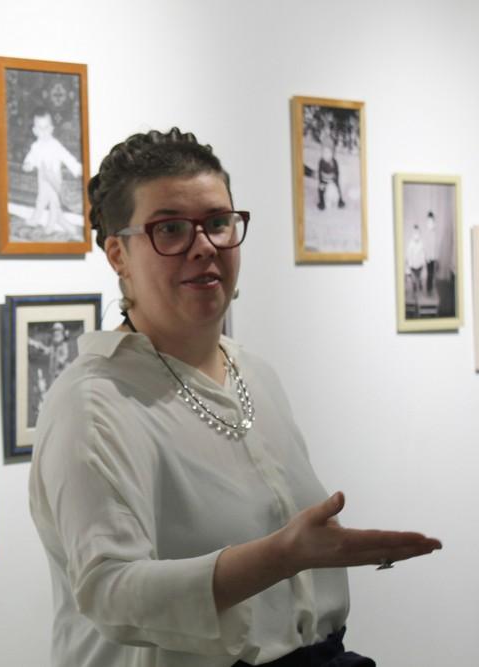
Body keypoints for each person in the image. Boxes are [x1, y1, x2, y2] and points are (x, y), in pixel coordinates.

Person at [29, 128, 442, 667]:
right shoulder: (93, 405)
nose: (204, 245)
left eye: (219, 223)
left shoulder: (254, 373)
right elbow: (110, 592)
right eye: (170, 229)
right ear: (118, 255)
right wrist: (283, 556)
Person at [21, 108, 83, 237]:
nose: (44, 131)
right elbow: (31, 158)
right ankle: (35, 219)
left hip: (55, 178)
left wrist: (76, 168)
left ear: (52, 128)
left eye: (47, 127)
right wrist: (28, 164)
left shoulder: (55, 145)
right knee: (41, 199)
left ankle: (51, 224)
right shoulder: (36, 146)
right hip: (42, 178)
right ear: (35, 131)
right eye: (40, 128)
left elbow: (66, 156)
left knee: (54, 202)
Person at [316, 141, 345, 210]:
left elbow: (337, 172)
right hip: (324, 179)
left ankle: (340, 200)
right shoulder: (321, 161)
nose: (326, 155)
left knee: (337, 188)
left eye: (328, 153)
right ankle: (321, 202)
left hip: (332, 179)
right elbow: (319, 172)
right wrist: (321, 181)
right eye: (324, 152)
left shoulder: (334, 162)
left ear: (332, 154)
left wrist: (335, 179)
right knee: (320, 189)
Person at [423, 211, 439, 295]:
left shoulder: (434, 232)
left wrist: (436, 257)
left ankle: (431, 288)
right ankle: (428, 289)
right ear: (427, 222)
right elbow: (426, 246)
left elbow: (435, 245)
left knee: (432, 273)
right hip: (428, 257)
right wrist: (427, 257)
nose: (430, 223)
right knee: (429, 273)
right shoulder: (427, 232)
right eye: (429, 221)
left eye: (432, 221)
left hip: (433, 257)